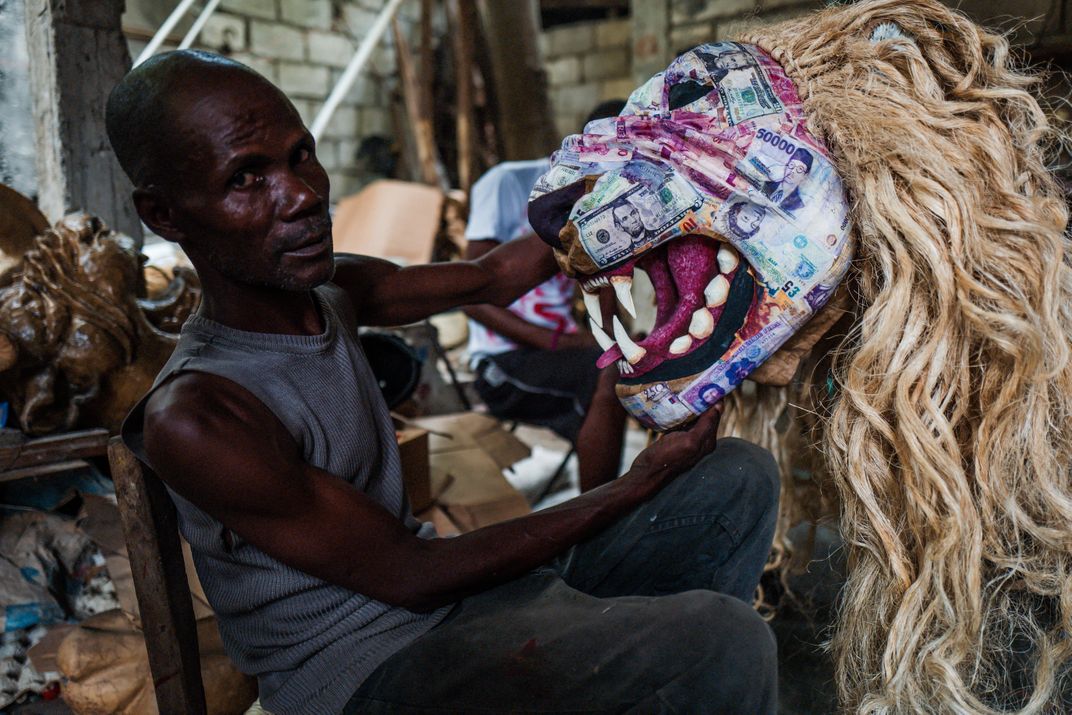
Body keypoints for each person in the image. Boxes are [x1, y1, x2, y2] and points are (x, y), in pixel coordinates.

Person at [107, 51, 779, 715]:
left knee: (737, 478)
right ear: (163, 215)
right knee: (722, 642)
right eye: (247, 179)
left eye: (300, 155)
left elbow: (493, 276)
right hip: (369, 669)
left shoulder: (332, 288)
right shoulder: (197, 414)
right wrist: (643, 478)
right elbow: (411, 575)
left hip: (458, 606)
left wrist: (633, 189)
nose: (304, 195)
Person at [464, 100, 629, 493]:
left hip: (558, 354)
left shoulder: (607, 198)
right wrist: (559, 341)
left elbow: (601, 282)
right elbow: (472, 297)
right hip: (502, 362)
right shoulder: (507, 183)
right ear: (587, 145)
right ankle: (597, 521)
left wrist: (613, 338)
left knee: (628, 367)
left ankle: (608, 502)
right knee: (607, 371)